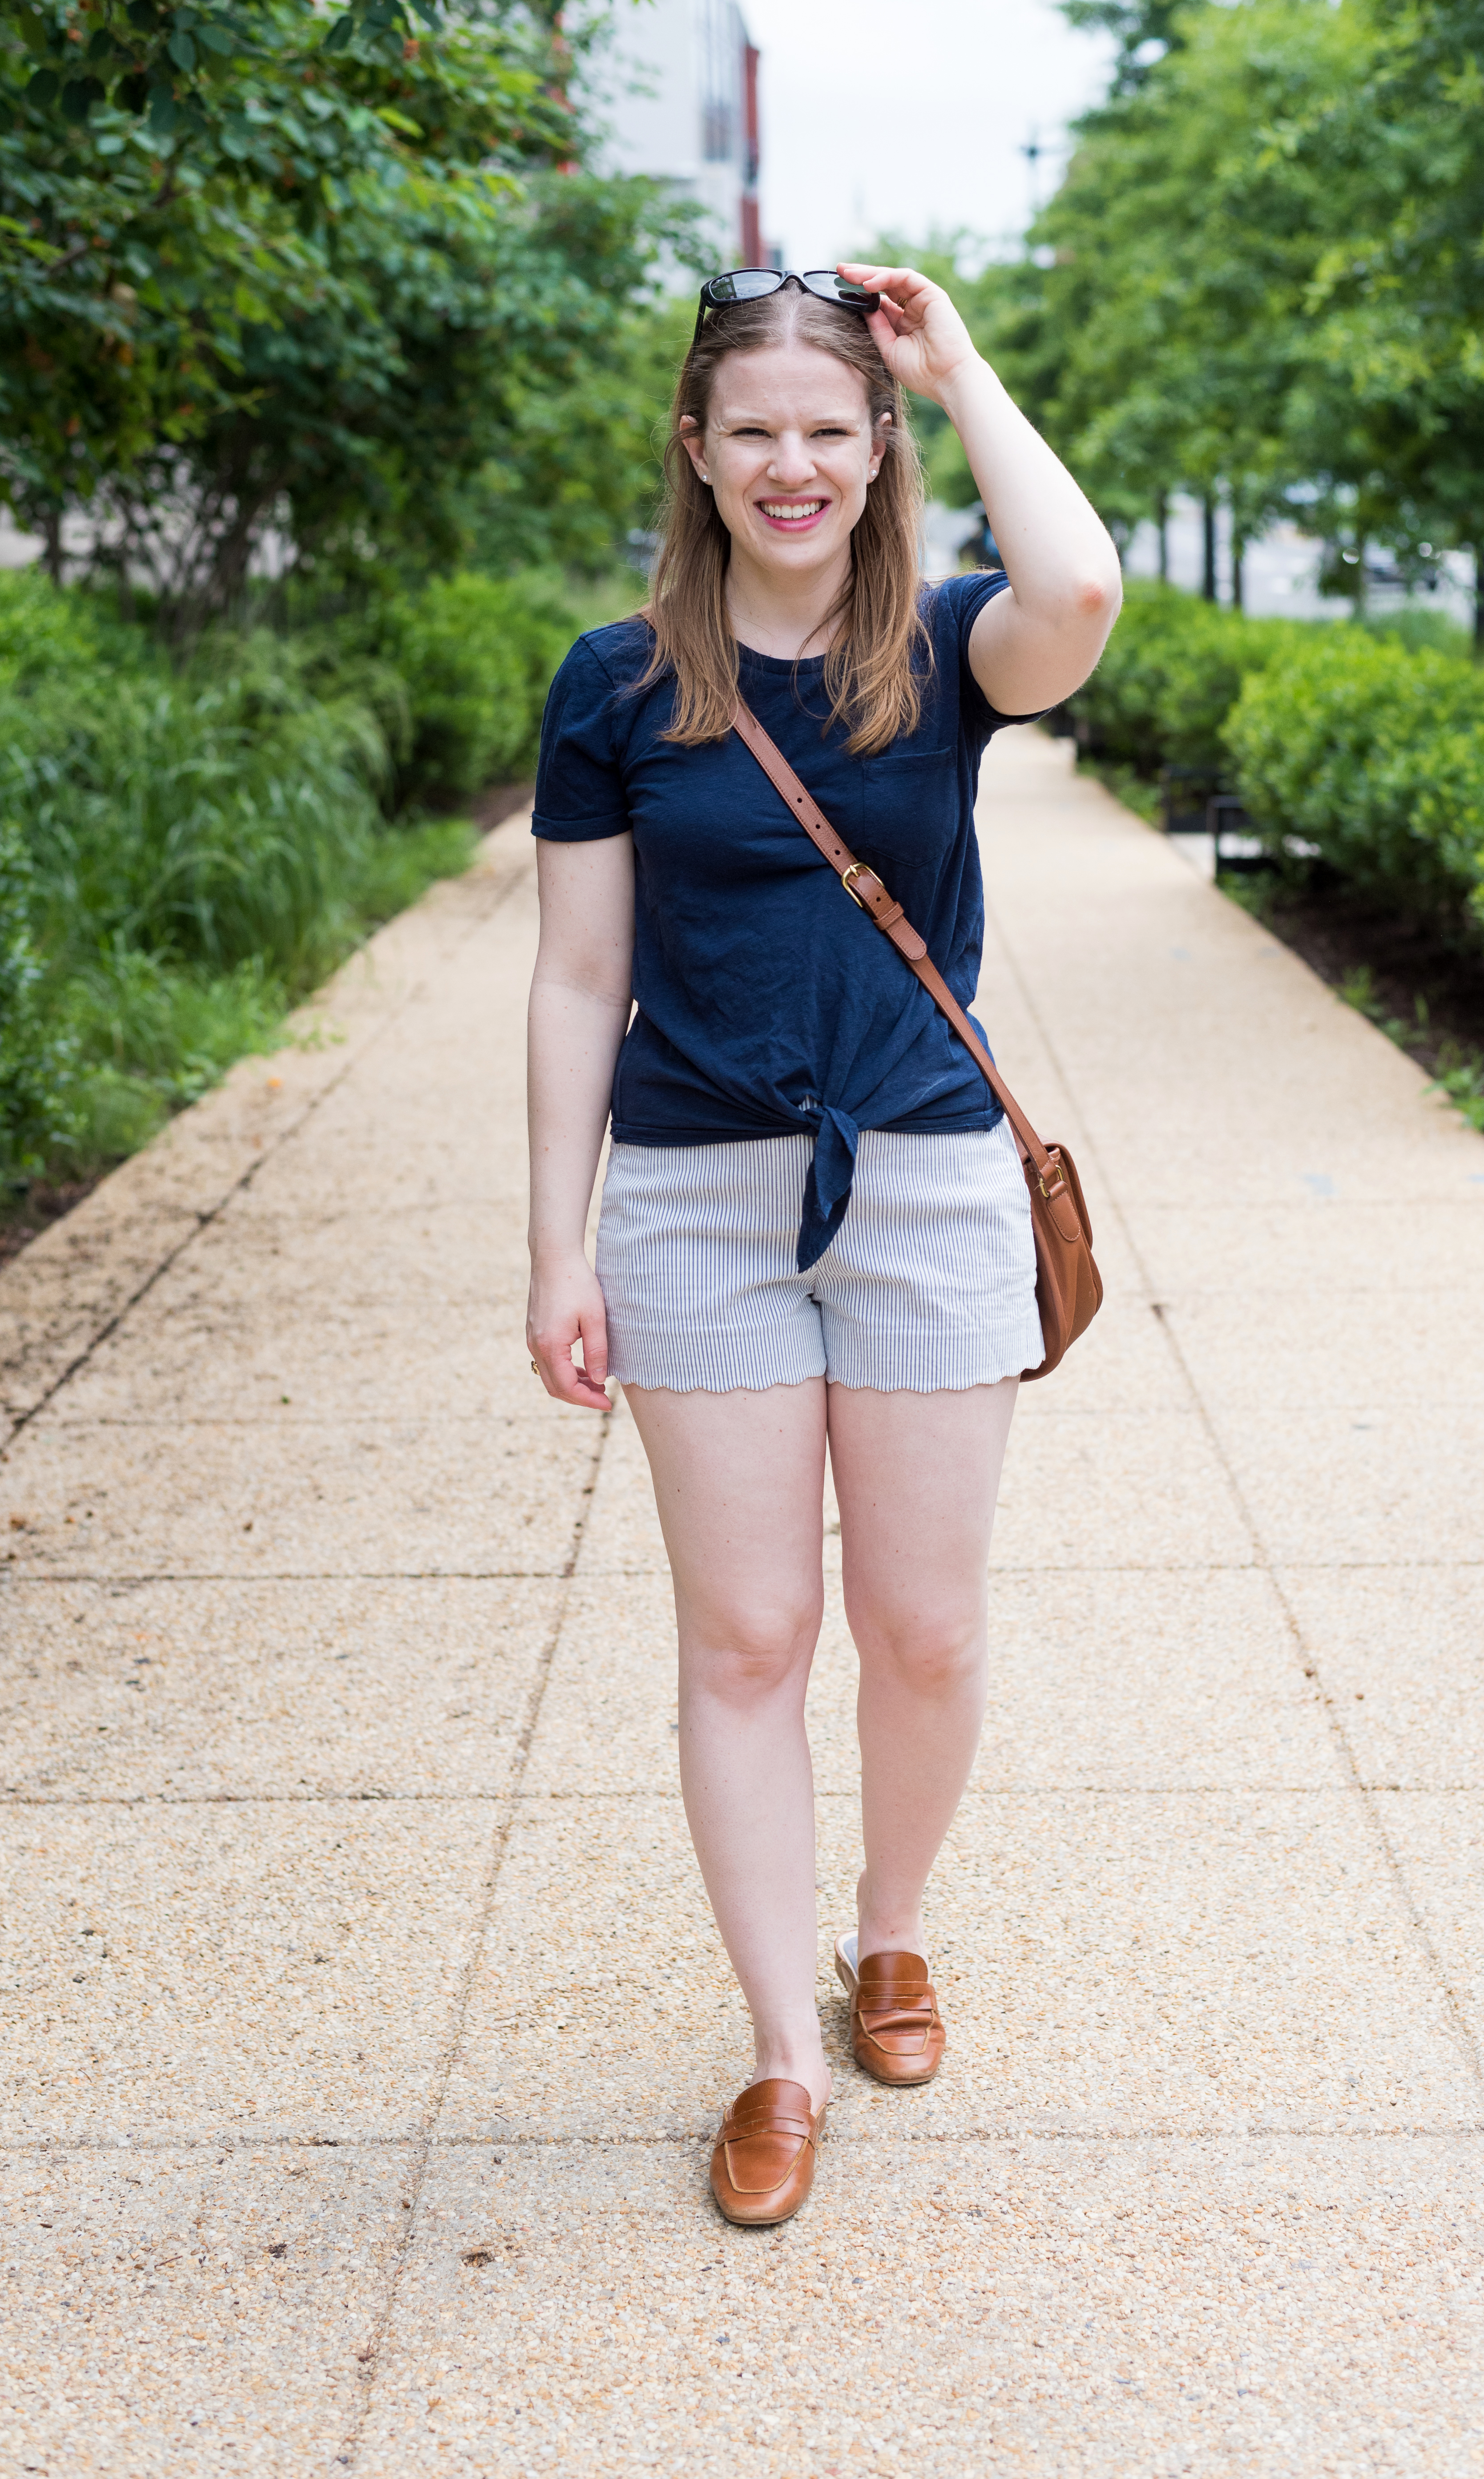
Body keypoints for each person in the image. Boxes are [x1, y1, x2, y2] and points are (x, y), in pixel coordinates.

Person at [525, 262, 1119, 2227]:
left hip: (930, 1185)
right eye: (754, 430)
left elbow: (1085, 595)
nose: (791, 463)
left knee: (922, 1625)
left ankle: (891, 1931)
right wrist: (558, 1246)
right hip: (697, 1196)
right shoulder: (613, 684)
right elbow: (575, 974)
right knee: (747, 1633)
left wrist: (948, 368)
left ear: (874, 459)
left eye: (827, 431)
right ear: (694, 451)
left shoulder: (945, 650)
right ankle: (782, 2046)